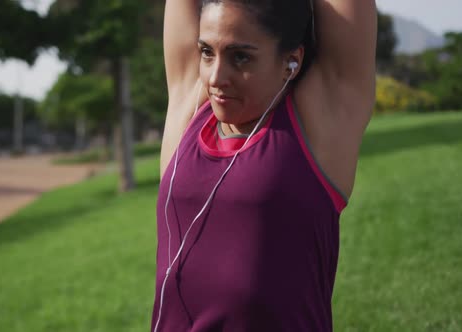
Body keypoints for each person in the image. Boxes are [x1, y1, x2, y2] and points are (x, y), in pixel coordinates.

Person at [151, 0, 377, 331]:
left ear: (292, 60)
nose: (216, 77)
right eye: (206, 52)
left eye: (240, 56)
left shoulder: (320, 121)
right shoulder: (189, 110)